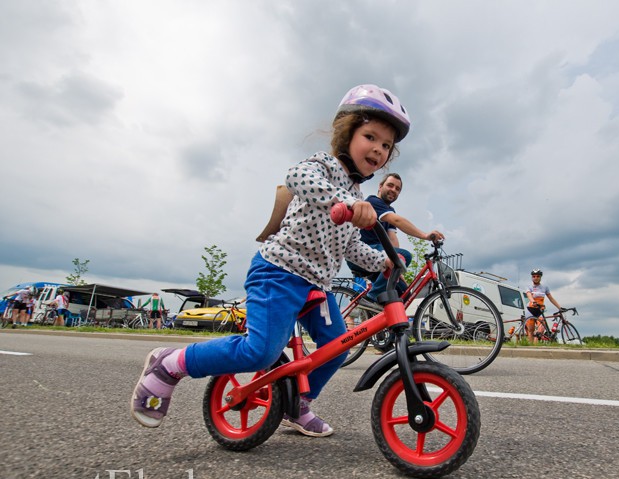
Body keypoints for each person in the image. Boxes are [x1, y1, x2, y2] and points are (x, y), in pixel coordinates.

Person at [131, 84, 410, 437]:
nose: (378, 149)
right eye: (370, 136)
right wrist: (348, 202)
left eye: (386, 145)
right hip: (278, 272)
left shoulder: (356, 195)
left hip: (317, 286)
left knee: (337, 348)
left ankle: (297, 405)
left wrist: (382, 260)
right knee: (260, 351)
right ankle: (168, 364)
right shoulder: (323, 166)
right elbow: (297, 177)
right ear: (347, 133)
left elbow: (351, 246)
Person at [354, 173, 444, 299]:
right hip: (363, 253)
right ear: (380, 186)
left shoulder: (390, 210)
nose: (393, 190)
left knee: (404, 294)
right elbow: (397, 221)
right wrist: (425, 235)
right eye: (390, 185)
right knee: (406, 255)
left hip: (380, 257)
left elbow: (392, 239)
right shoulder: (373, 201)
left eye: (397, 189)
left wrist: (397, 267)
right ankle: (372, 297)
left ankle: (379, 315)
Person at [524, 269, 563, 343]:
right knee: (531, 330)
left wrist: (559, 307)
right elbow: (529, 295)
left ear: (540, 277)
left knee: (542, 326)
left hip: (539, 310)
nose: (536, 278)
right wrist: (533, 301)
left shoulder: (545, 287)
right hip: (530, 309)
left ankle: (536, 344)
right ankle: (531, 347)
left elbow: (551, 298)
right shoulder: (529, 286)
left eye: (538, 276)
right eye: (534, 276)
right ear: (532, 277)